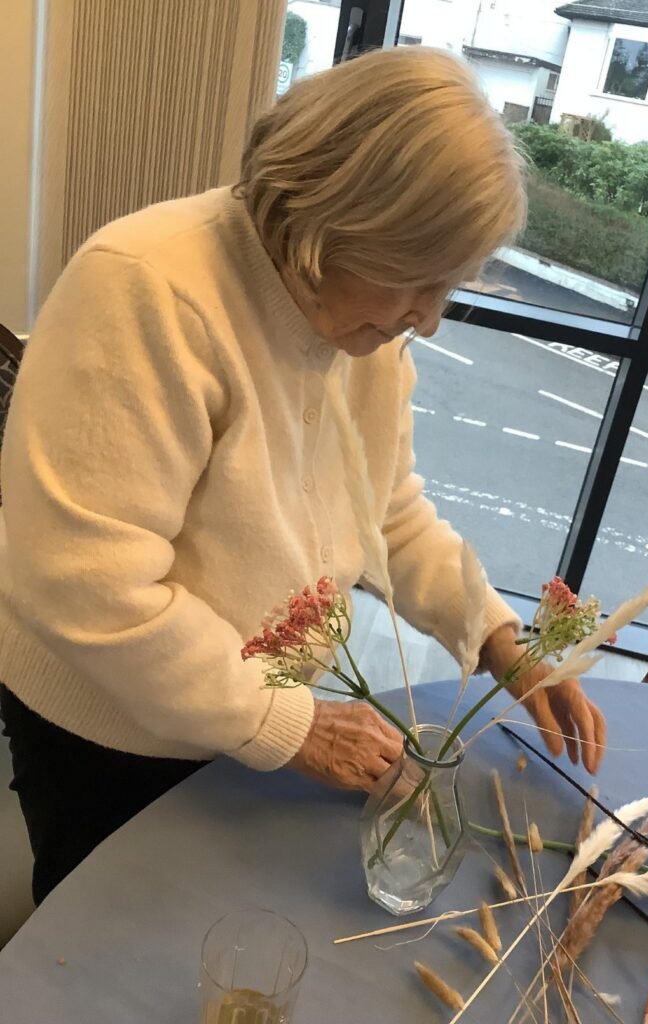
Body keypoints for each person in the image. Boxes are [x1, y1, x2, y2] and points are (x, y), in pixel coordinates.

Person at [0, 46, 605, 905]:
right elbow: (88, 585)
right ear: (334, 223)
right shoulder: (147, 290)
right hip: (111, 727)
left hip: (251, 709)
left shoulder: (357, 319)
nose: (428, 322)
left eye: (447, 289)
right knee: (110, 939)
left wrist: (499, 635)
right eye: (417, 282)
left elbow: (387, 513)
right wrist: (291, 724)